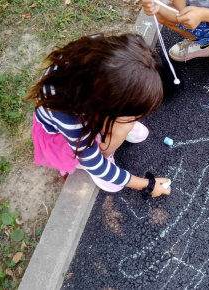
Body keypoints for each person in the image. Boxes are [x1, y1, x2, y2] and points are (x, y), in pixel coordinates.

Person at [25, 33, 171, 197]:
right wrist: (147, 184)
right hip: (62, 135)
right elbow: (95, 165)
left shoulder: (99, 55)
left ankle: (114, 128)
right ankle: (105, 152)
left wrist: (124, 120)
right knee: (106, 147)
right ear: (106, 106)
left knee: (123, 127)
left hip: (88, 106)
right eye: (128, 113)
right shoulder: (68, 117)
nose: (136, 119)